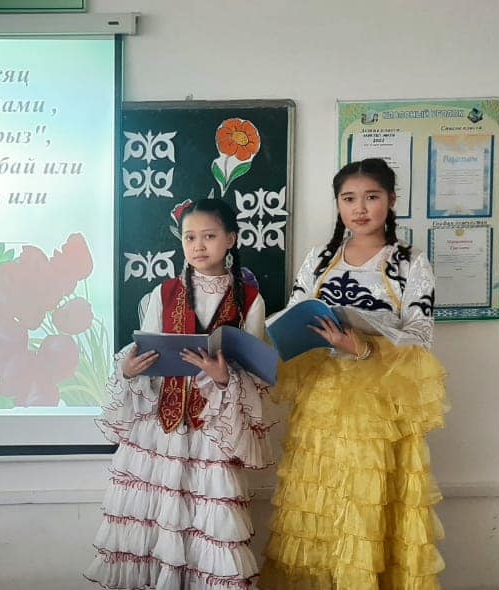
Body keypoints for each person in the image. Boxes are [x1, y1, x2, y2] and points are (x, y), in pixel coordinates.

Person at [260, 158, 448, 589]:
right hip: (321, 405)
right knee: (320, 503)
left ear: (392, 200)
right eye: (348, 199)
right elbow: (295, 315)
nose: (359, 208)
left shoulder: (410, 263)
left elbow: (420, 338)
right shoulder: (319, 258)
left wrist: (362, 346)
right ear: (338, 204)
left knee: (369, 502)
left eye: (371, 197)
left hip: (379, 409)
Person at [85, 198, 272, 589]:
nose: (199, 246)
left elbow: (258, 372)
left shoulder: (250, 300)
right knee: (160, 521)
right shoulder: (164, 292)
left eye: (209, 236)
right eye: (190, 237)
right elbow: (144, 349)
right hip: (162, 430)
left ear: (230, 239)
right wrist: (129, 369)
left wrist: (224, 378)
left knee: (209, 524)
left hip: (212, 431)